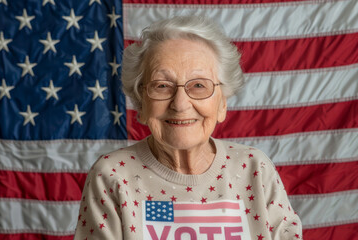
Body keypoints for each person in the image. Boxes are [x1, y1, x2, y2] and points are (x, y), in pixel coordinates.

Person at [74, 16, 302, 240]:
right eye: (162, 86)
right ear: (141, 103)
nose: (180, 104)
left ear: (222, 104)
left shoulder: (255, 169)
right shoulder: (112, 175)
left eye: (199, 85)